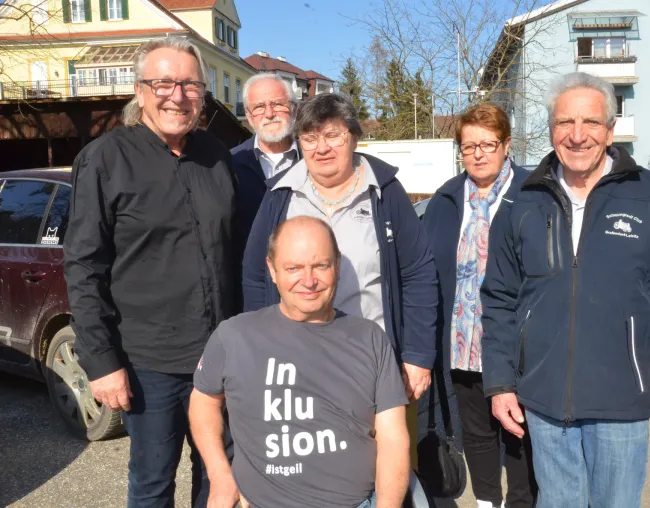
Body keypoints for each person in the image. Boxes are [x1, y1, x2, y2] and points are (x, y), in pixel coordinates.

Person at [481, 72, 650, 508]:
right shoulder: (519, 203)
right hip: (545, 404)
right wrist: (500, 382)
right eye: (565, 122)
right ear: (551, 130)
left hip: (621, 404)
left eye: (591, 123)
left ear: (610, 130)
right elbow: (499, 300)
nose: (577, 135)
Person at [64, 37, 237, 508]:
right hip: (148, 363)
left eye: (189, 84)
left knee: (221, 476)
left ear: (202, 95)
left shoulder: (216, 156)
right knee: (153, 482)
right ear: (140, 91)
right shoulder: (105, 159)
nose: (176, 95)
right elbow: (83, 266)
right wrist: (101, 363)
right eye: (163, 82)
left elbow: (236, 251)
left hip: (219, 358)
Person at [189, 216, 410, 508]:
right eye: (293, 268)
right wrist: (219, 475)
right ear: (272, 270)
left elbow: (393, 439)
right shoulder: (234, 336)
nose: (308, 281)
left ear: (338, 266)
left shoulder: (370, 338)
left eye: (321, 265)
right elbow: (203, 402)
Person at [242, 93, 438, 405]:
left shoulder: (384, 192)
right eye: (309, 138)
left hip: (372, 359)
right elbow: (255, 276)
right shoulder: (280, 196)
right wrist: (260, 348)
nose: (321, 148)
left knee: (383, 449)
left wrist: (417, 355)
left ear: (354, 138)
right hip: (297, 363)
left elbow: (418, 274)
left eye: (333, 135)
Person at [422, 104, 536, 508]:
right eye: (469, 146)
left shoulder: (533, 194)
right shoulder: (446, 201)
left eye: (488, 144)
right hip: (462, 343)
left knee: (518, 435)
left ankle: (521, 503)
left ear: (506, 145)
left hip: (516, 344)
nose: (479, 154)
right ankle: (487, 501)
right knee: (476, 432)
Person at [230, 74, 302, 252]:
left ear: (294, 108)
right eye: (259, 107)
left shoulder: (313, 160)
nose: (269, 114)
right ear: (248, 114)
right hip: (247, 276)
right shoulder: (230, 164)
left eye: (278, 104)